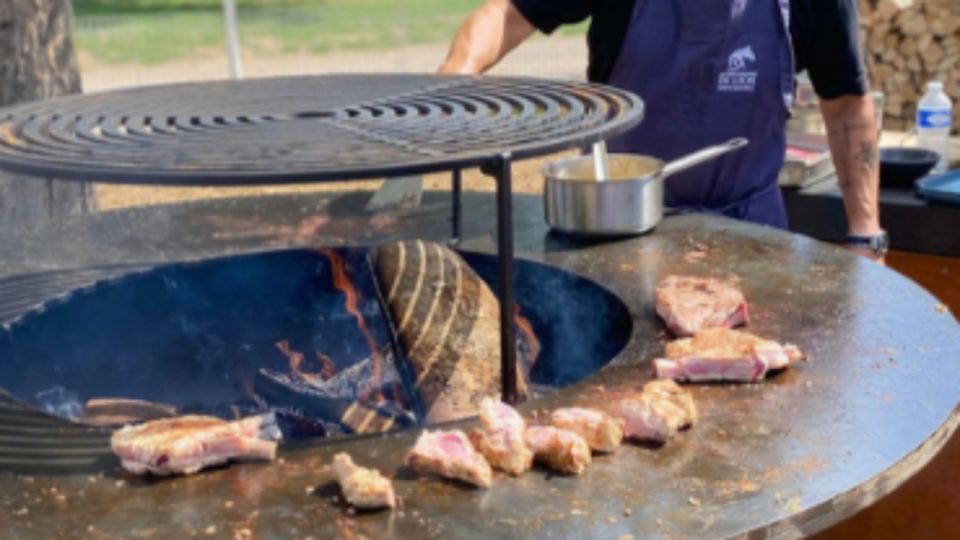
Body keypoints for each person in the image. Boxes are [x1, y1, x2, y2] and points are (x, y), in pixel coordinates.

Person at [437, 0, 887, 263]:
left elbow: (847, 104)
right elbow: (509, 14)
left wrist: (866, 232)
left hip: (754, 238)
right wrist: (458, 74)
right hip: (614, 230)